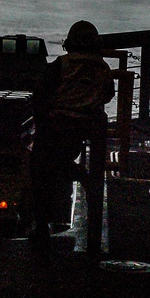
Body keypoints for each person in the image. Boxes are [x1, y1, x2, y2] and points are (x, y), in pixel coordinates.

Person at [29, 20, 115, 261]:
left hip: (57, 126)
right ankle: (83, 177)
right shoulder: (103, 67)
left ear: (69, 43)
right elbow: (108, 94)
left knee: (41, 169)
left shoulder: (61, 65)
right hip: (87, 126)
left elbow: (40, 96)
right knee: (61, 159)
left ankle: (42, 224)